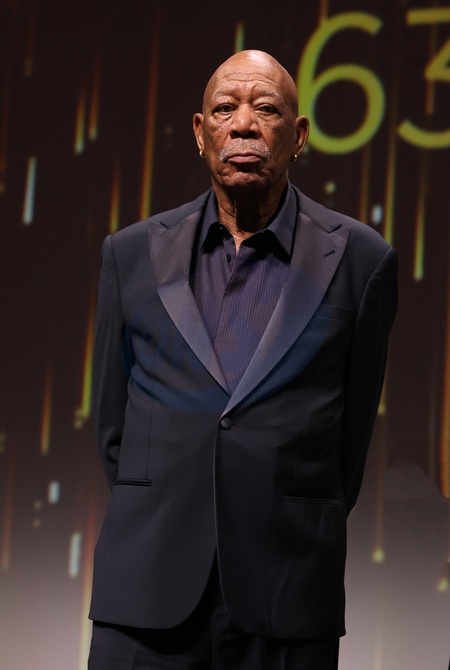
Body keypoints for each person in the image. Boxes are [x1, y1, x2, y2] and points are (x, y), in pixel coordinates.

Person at [88, 50, 397, 669]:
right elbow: (112, 429)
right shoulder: (131, 254)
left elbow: (348, 447)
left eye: (267, 109)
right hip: (146, 591)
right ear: (201, 133)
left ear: (299, 136)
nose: (245, 124)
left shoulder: (362, 260)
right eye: (225, 109)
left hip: (285, 593)